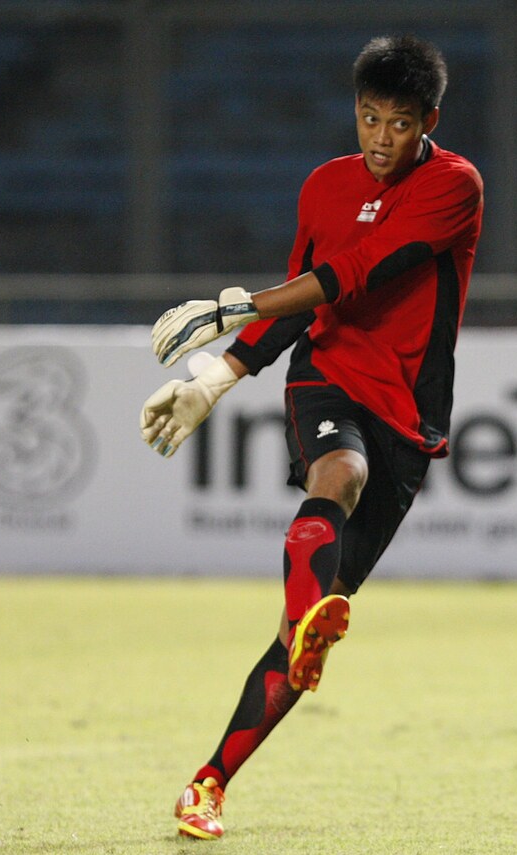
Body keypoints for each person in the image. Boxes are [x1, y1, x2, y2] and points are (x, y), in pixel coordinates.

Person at [139, 35, 483, 840]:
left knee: (299, 638)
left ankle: (208, 780)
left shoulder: (454, 185)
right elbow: (308, 301)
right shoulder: (325, 185)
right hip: (327, 376)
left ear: (429, 122)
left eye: (400, 122)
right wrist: (216, 378)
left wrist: (235, 307)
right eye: (369, 117)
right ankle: (305, 620)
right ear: (354, 112)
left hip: (408, 413)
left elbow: (358, 270)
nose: (381, 138)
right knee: (339, 474)